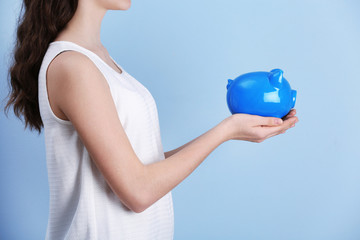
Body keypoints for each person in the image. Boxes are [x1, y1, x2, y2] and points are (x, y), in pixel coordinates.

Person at [3, 0, 298, 239]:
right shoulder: (73, 66)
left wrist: (230, 131)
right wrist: (226, 130)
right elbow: (138, 191)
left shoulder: (98, 59)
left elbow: (141, 168)